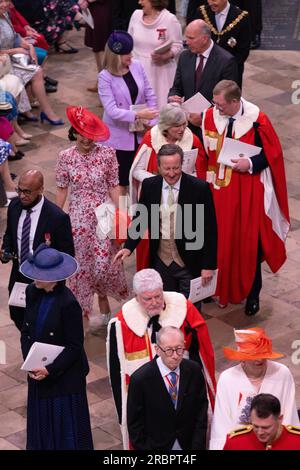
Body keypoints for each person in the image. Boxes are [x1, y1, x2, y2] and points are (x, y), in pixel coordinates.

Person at [200, 80, 289, 314]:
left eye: (220, 104)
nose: (215, 108)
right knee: (216, 241)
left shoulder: (258, 122)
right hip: (217, 191)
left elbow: (272, 156)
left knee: (248, 242)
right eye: (214, 102)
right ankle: (215, 288)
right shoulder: (210, 116)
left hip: (247, 191)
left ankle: (252, 293)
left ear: (234, 102)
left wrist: (249, 163)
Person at [107, 268, 216, 449]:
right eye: (147, 299)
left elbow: (201, 351)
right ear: (136, 297)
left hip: (183, 396)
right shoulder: (120, 324)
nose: (154, 302)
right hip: (150, 409)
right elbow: (116, 373)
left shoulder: (184, 309)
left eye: (158, 296)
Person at [55, 106, 128, 330]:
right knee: (81, 268)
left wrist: (123, 214)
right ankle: (83, 313)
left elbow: (115, 186)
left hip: (103, 217)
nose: (86, 139)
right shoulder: (65, 157)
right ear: (74, 132)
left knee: (103, 264)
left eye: (90, 135)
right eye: (81, 133)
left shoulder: (107, 154)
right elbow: (61, 190)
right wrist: (56, 221)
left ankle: (103, 299)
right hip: (78, 220)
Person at [114, 143, 217, 298]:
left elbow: (210, 230)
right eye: (166, 168)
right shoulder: (150, 185)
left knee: (190, 311)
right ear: (159, 167)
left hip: (189, 262)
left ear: (182, 164)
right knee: (166, 307)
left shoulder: (199, 188)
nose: (171, 173)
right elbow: (141, 219)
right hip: (161, 262)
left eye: (175, 168)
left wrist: (208, 266)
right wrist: (128, 247)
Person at [20, 244, 93, 450]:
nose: (34, 278)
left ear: (52, 277)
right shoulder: (31, 291)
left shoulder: (68, 304)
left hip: (64, 379)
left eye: (39, 275)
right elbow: (26, 331)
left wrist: (49, 370)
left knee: (65, 434)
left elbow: (74, 346)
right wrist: (30, 361)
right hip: (38, 373)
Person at [129, 103, 208, 269]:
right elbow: (137, 170)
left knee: (186, 242)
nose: (182, 129)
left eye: (184, 124)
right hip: (158, 199)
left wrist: (184, 179)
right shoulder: (151, 138)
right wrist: (159, 181)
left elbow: (199, 171)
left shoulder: (192, 140)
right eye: (177, 126)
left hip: (184, 199)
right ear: (166, 127)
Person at [1, 169, 75, 331]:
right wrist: (6, 250)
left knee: (43, 322)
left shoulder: (57, 217)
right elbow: (9, 234)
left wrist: (52, 280)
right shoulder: (14, 206)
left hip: (44, 280)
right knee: (17, 315)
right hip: (19, 274)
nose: (21, 195)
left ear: (41, 189)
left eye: (27, 192)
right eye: (19, 190)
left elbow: (67, 253)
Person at [210, 328, 299, 450]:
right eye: (254, 355)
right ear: (241, 357)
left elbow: (289, 417)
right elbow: (221, 424)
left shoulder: (282, 373)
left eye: (262, 354)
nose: (259, 359)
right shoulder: (227, 379)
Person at [127, 326, 208, 450]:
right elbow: (135, 424)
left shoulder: (194, 370)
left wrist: (197, 445)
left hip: (189, 444)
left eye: (179, 349)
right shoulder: (140, 380)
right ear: (157, 350)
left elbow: (201, 411)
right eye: (169, 350)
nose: (175, 356)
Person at [98, 30, 158, 194]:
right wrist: (139, 115)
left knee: (141, 177)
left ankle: (138, 213)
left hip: (140, 133)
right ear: (116, 56)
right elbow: (112, 111)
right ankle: (122, 216)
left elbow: (150, 94)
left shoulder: (136, 65)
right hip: (118, 138)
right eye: (127, 54)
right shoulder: (105, 77)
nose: (131, 56)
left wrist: (152, 123)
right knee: (120, 181)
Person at [168, 19, 238, 133]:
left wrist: (204, 116)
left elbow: (229, 99)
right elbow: (177, 87)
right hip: (188, 126)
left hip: (215, 127)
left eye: (191, 38)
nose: (187, 42)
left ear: (205, 39)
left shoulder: (226, 61)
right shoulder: (184, 57)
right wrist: (173, 96)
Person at [0, 0, 64, 124]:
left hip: (10, 60)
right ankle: (22, 117)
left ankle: (46, 111)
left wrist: (28, 46)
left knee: (37, 71)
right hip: (3, 65)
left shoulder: (5, 14)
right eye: (1, 1)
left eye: (6, 0)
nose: (4, 4)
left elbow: (14, 36)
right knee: (36, 71)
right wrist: (16, 50)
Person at [128, 0, 183, 108]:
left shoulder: (170, 19)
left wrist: (165, 56)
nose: (139, 2)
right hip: (137, 71)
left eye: (143, 0)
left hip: (161, 74)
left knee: (160, 110)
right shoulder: (135, 15)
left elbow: (178, 45)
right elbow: (129, 41)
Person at [187, 0, 251, 87]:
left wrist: (225, 69)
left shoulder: (241, 17)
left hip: (229, 75)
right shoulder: (202, 13)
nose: (211, 3)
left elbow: (243, 51)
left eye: (214, 0)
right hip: (205, 73)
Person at [223, 394, 300, 450]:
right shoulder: (235, 442)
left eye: (266, 427)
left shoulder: (297, 441)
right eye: (255, 426)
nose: (260, 432)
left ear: (280, 419)